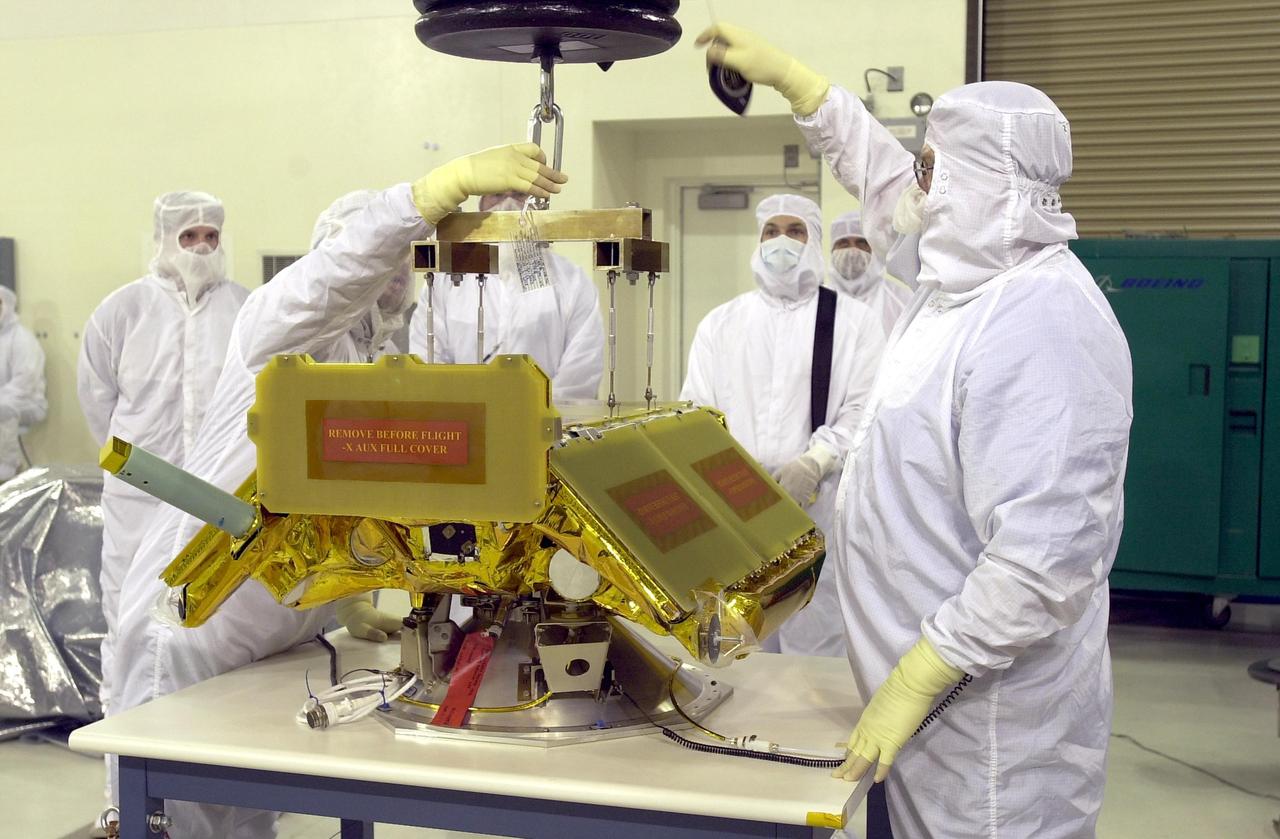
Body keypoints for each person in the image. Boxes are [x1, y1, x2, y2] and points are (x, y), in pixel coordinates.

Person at [698, 24, 1133, 839]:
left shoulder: (1044, 323)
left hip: (991, 737)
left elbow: (1047, 559)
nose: (915, 188)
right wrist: (800, 85)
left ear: (979, 185)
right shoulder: (959, 284)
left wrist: (925, 670)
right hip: (920, 711)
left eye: (932, 172)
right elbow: (881, 171)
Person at [108, 143, 566, 839]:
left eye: (399, 271)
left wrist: (349, 599)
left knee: (246, 824)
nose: (388, 284)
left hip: (275, 633)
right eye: (380, 263)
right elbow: (339, 273)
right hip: (190, 631)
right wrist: (438, 190)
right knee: (181, 826)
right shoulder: (274, 329)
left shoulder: (371, 360)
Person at [680, 193, 885, 659]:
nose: (781, 242)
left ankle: (806, 733)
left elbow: (864, 410)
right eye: (770, 231)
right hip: (735, 511)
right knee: (737, 639)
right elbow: (695, 413)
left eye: (795, 231)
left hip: (817, 509)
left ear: (814, 241)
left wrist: (815, 462)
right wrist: (728, 473)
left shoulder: (852, 322)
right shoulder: (722, 323)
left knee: (814, 637)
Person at [77, 191, 249, 741]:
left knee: (215, 629)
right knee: (126, 626)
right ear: (163, 239)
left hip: (217, 504)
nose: (200, 248)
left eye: (211, 236)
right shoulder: (122, 310)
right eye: (188, 237)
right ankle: (122, 782)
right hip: (137, 504)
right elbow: (97, 402)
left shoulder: (245, 309)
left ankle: (209, 767)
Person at [410, 189, 604, 400]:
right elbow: (427, 364)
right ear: (481, 203)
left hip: (543, 427)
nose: (508, 205)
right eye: (497, 194)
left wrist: (534, 418)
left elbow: (579, 377)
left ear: (540, 205)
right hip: (463, 426)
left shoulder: (571, 282)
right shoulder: (444, 280)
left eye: (520, 195)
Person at [828, 210, 912, 338]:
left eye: (861, 243)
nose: (852, 250)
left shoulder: (902, 301)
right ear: (832, 250)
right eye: (843, 243)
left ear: (874, 249)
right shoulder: (817, 301)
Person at [0, 287, 47, 481]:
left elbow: (24, 382)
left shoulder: (21, 339)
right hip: (7, 398)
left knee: (4, 410)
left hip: (28, 401)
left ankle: (8, 469)